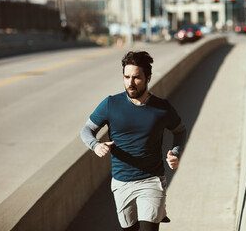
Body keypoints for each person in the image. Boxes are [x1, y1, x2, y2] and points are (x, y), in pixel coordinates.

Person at [80, 51, 187, 231]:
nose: (130, 83)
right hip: (121, 182)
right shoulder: (111, 104)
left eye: (136, 78)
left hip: (151, 180)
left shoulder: (162, 108)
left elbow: (180, 131)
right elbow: (87, 130)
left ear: (148, 78)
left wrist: (175, 153)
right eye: (126, 77)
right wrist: (95, 145)